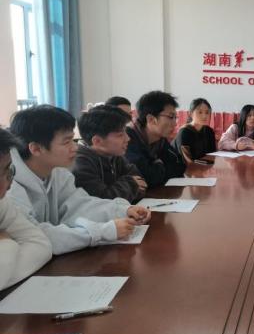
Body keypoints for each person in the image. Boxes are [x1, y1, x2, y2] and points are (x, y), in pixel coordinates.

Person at [7, 105, 150, 255]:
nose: (75, 147)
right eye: (66, 142)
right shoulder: (8, 186)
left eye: (72, 139)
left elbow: (78, 205)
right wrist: (101, 232)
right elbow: (36, 237)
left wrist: (122, 210)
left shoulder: (57, 172)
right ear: (36, 149)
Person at [0, 128, 52, 290]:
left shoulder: (2, 204)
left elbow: (41, 246)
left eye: (9, 170)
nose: (8, 184)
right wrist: (7, 241)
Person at [73, 105, 146, 203]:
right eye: (120, 135)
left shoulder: (114, 155)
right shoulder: (80, 163)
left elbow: (142, 185)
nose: (128, 138)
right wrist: (131, 184)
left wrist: (118, 188)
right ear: (97, 141)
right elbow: (101, 201)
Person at [126, 91, 186, 188]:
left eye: (176, 117)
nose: (175, 124)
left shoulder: (160, 139)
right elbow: (146, 177)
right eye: (171, 117)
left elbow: (180, 165)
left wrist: (156, 166)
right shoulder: (127, 138)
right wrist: (160, 165)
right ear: (151, 119)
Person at [172, 98, 216, 163]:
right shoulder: (184, 132)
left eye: (207, 112)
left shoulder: (209, 131)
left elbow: (212, 155)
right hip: (181, 167)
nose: (204, 116)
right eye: (200, 112)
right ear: (191, 114)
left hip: (204, 166)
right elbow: (187, 161)